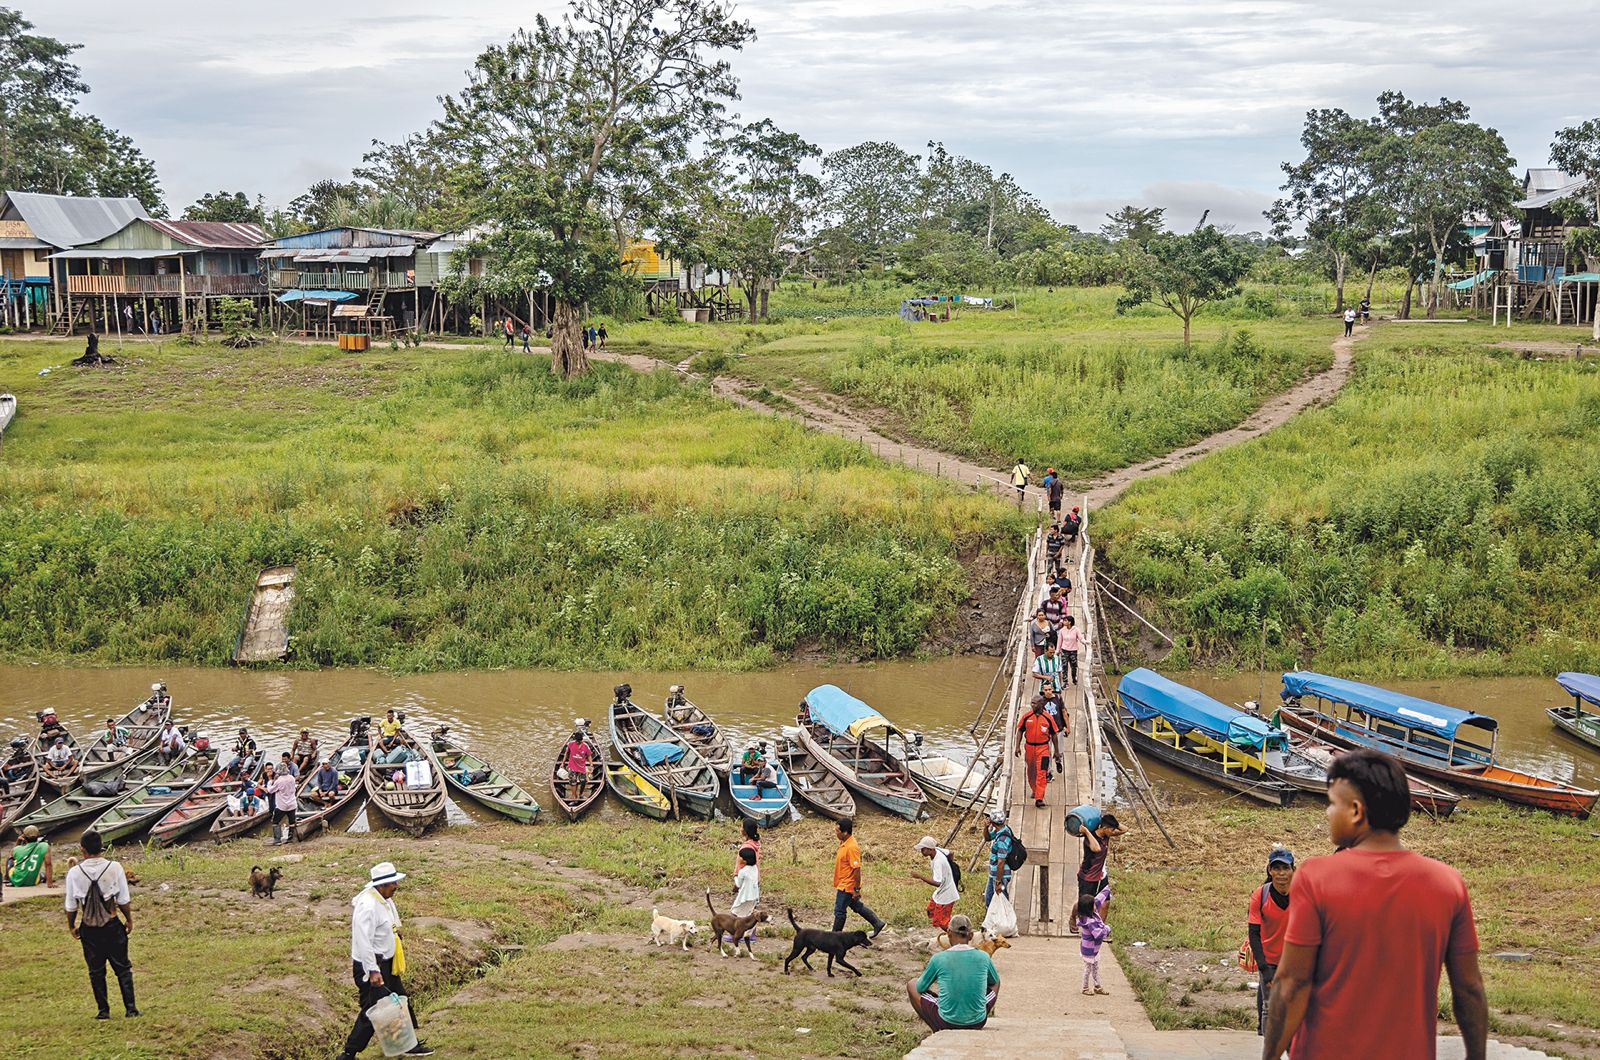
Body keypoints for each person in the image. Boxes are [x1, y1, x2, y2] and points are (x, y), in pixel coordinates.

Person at [1262, 749, 1486, 1060]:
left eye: (1331, 803)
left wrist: (1270, 1056)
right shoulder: (1447, 884)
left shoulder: (1316, 878)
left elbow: (1291, 984)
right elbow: (1469, 988)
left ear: (1355, 811)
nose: (1328, 813)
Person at [337, 862, 432, 1059]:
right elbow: (363, 941)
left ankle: (406, 1043)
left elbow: (390, 916)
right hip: (372, 966)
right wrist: (373, 970)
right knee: (373, 1010)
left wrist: (396, 932)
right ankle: (348, 1053)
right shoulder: (368, 906)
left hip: (387, 964)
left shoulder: (383, 898)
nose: (396, 886)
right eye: (393, 883)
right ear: (382, 885)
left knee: (399, 1000)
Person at [64, 830, 138, 1020]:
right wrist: (128, 919)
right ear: (101, 848)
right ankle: (131, 1008)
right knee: (122, 967)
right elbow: (123, 899)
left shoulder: (74, 873)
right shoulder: (114, 867)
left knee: (96, 970)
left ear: (82, 850)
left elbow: (71, 905)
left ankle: (103, 1011)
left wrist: (72, 925)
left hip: (89, 928)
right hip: (112, 924)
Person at [906, 914, 999, 1032]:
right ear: (970, 936)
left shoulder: (938, 958)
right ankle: (979, 1012)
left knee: (912, 984)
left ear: (948, 933)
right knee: (996, 981)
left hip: (946, 1022)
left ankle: (936, 1028)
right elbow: (994, 982)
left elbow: (920, 987)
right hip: (977, 1022)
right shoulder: (984, 956)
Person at [1248, 846, 1296, 1036]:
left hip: (1295, 962)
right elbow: (1254, 933)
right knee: (1269, 1008)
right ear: (1269, 870)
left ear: (1293, 869)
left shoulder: (1303, 894)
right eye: (1276, 868)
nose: (1281, 873)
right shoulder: (1260, 896)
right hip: (1270, 961)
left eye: (1285, 868)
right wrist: (1263, 968)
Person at [831, 817, 886, 936]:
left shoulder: (852, 847)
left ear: (845, 833)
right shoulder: (844, 842)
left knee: (839, 911)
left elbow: (856, 869)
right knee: (856, 905)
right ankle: (877, 922)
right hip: (843, 882)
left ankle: (834, 936)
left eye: (837, 831)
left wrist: (856, 890)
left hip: (847, 886)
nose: (835, 833)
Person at [1070, 813, 1122, 935]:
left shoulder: (1107, 835)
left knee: (1106, 902)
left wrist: (1113, 822)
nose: (1114, 832)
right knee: (1083, 905)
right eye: (1112, 829)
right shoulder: (1090, 838)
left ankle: (1100, 930)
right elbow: (1096, 848)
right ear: (1104, 828)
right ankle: (1073, 918)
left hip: (1101, 875)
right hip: (1088, 877)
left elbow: (1125, 830)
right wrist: (1087, 832)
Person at [1013, 695, 1062, 808]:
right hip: (1029, 748)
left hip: (1043, 749)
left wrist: (1057, 751)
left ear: (1041, 704)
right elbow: (1020, 730)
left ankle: (1039, 798)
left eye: (1035, 703)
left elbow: (1054, 734)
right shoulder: (1027, 716)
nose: (1032, 705)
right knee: (1031, 771)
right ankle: (1035, 790)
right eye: (1031, 703)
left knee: (1042, 773)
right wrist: (1017, 747)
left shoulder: (1048, 718)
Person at [910, 836, 959, 932]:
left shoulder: (938, 862)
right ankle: (950, 927)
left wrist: (920, 877)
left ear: (930, 849)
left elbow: (937, 883)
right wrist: (949, 865)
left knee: (942, 922)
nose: (921, 851)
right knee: (930, 911)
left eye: (923, 849)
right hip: (941, 892)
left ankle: (955, 936)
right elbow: (950, 853)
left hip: (947, 895)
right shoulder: (938, 850)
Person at [1077, 884, 1111, 995]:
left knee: (1096, 968)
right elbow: (1099, 935)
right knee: (1088, 970)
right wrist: (1107, 928)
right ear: (1089, 908)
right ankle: (1085, 988)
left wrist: (1107, 888)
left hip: (1094, 950)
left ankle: (1097, 986)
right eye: (1093, 905)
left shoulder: (1091, 911)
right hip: (1089, 950)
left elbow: (1099, 898)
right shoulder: (1090, 922)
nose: (1096, 906)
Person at [730, 846, 761, 947]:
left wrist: (735, 876)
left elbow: (738, 884)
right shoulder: (755, 868)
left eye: (741, 857)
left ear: (745, 860)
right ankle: (749, 935)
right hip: (754, 896)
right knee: (749, 914)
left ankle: (736, 935)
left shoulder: (743, 871)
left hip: (745, 897)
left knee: (735, 913)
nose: (739, 859)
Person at [983, 809, 1014, 907]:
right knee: (989, 900)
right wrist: (985, 827)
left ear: (992, 822)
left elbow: (1001, 862)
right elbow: (988, 838)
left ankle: (1006, 921)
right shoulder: (1000, 830)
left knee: (1002, 903)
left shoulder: (1002, 839)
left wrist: (998, 882)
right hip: (994, 873)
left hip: (1001, 875)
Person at [264, 762, 297, 845]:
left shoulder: (279, 781)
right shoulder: (292, 778)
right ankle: (291, 838)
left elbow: (270, 790)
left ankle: (277, 840)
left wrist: (270, 781)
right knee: (292, 822)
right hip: (292, 803)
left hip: (282, 805)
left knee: (275, 821)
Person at [557, 728, 593, 798]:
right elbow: (566, 754)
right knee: (573, 782)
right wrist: (563, 763)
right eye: (577, 741)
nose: (577, 742)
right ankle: (574, 795)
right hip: (572, 766)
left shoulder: (585, 746)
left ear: (582, 740)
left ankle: (581, 794)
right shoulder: (570, 744)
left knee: (583, 781)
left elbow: (589, 755)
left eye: (579, 741)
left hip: (581, 767)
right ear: (575, 739)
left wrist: (591, 764)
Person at [1059, 615, 1083, 685]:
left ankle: (1074, 677)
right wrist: (1057, 651)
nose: (1063, 622)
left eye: (1065, 620)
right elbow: (1059, 641)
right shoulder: (1062, 630)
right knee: (1064, 665)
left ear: (1069, 622)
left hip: (1073, 650)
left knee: (1074, 665)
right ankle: (1065, 681)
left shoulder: (1076, 629)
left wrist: (1084, 641)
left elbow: (1080, 638)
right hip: (1064, 650)